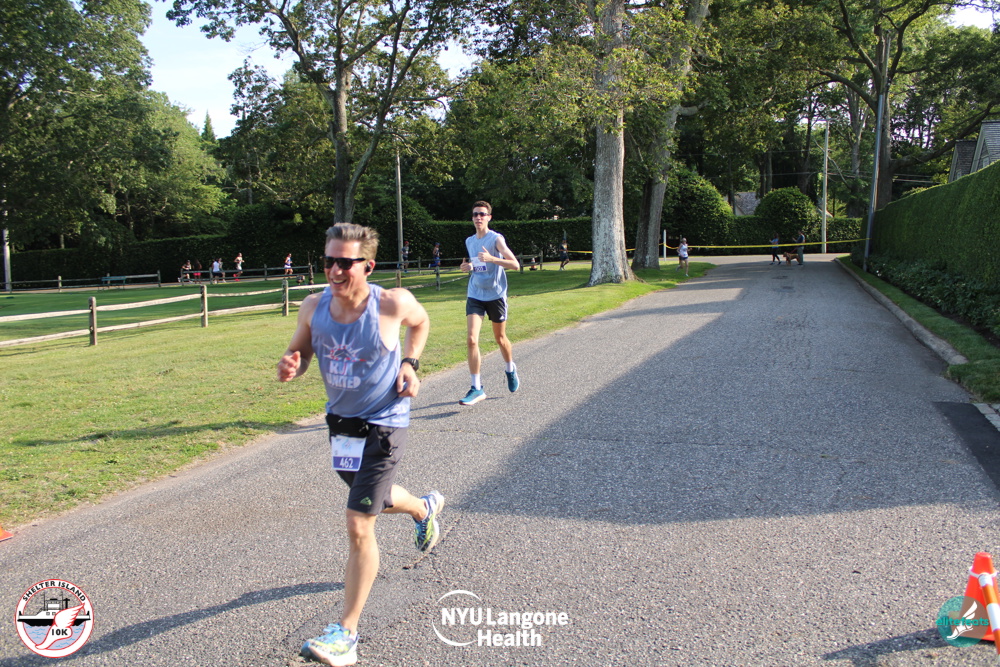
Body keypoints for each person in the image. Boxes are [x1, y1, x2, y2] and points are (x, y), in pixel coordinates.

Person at [277, 222, 442, 667]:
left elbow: (421, 321)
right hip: (342, 426)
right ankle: (423, 508)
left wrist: (409, 363)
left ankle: (345, 635)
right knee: (372, 498)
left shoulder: (390, 303)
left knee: (358, 522)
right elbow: (301, 351)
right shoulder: (313, 306)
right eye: (329, 261)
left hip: (385, 422)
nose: (334, 270)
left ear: (367, 266)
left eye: (345, 263)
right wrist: (292, 364)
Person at [458, 201, 520, 405]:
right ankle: (476, 388)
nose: (478, 217)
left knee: (500, 338)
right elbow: (478, 265)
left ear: (489, 217)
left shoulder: (496, 239)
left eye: (482, 214)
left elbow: (515, 265)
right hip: (475, 294)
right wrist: (468, 267)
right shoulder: (469, 241)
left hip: (496, 295)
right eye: (475, 214)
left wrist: (492, 258)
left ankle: (510, 368)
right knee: (471, 339)